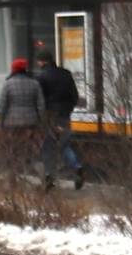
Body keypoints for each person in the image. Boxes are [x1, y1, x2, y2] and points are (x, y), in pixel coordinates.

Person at [35, 53, 84, 190]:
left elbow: (40, 100)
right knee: (64, 145)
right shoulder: (66, 74)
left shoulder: (41, 77)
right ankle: (77, 167)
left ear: (41, 62)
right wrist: (68, 109)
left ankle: (49, 177)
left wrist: (42, 115)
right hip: (64, 116)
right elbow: (74, 96)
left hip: (50, 116)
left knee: (47, 147)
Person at [0, 57, 45, 169]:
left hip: (12, 123)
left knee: (12, 148)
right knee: (29, 147)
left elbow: (2, 105)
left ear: (14, 69)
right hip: (31, 122)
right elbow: (41, 105)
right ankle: (32, 168)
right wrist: (41, 122)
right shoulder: (34, 83)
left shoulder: (8, 84)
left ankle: (13, 174)